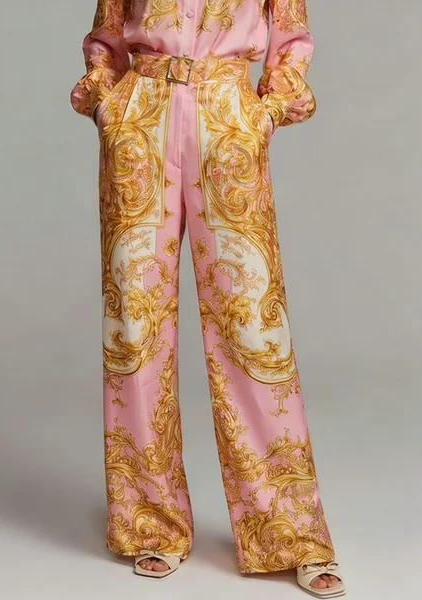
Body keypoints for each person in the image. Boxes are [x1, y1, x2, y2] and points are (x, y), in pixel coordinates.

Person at [70, 0, 346, 596]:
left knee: (252, 327)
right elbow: (109, 31)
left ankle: (291, 534)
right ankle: (151, 522)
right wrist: (107, 100)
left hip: (227, 116)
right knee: (134, 326)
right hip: (140, 118)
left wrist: (266, 111)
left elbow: (291, 37)